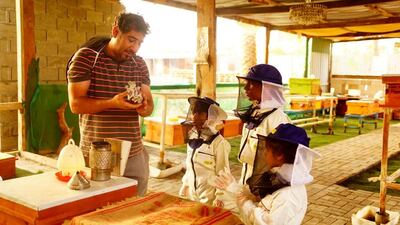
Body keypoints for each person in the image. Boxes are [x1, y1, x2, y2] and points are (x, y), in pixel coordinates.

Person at [67, 12, 153, 196]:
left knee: (136, 207)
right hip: (96, 152)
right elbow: (76, 105)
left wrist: (145, 108)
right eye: (131, 40)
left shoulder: (139, 64)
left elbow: (149, 105)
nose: (135, 48)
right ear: (115, 31)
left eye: (139, 42)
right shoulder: (87, 58)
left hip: (133, 152)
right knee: (97, 210)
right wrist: (112, 103)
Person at [218, 123, 320, 225]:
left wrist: (242, 200)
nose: (265, 153)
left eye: (267, 149)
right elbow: (261, 201)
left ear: (279, 154)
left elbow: (263, 222)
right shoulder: (279, 178)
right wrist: (235, 189)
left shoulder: (289, 195)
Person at [234, 64, 291, 186]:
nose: (245, 88)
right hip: (247, 177)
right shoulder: (255, 113)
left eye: (251, 84)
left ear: (266, 87)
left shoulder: (278, 119)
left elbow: (281, 163)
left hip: (263, 186)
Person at [179, 97, 231, 208]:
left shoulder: (219, 143)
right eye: (194, 112)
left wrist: (220, 197)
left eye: (200, 113)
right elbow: (190, 166)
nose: (195, 117)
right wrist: (186, 184)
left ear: (211, 117)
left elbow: (223, 172)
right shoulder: (192, 139)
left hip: (209, 199)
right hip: (192, 196)